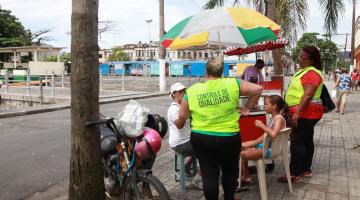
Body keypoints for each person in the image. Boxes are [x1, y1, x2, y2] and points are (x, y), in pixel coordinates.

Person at [175, 56, 262, 200]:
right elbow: (258, 89)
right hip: (228, 137)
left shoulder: (192, 91)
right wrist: (247, 108)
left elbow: (183, 116)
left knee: (209, 175)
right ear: (222, 71)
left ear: (206, 71)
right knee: (229, 173)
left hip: (202, 138)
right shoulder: (233, 83)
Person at [279, 45, 324, 183]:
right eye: (300, 56)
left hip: (305, 113)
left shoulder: (311, 73)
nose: (300, 59)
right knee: (306, 140)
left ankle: (294, 174)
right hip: (308, 113)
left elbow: (308, 94)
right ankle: (305, 169)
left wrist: (297, 113)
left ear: (311, 60)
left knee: (297, 141)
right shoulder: (306, 71)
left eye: (303, 58)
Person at [240, 95, 289, 184]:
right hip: (266, 148)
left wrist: (262, 126)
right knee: (241, 147)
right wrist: (253, 143)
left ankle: (246, 176)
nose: (264, 106)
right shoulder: (274, 118)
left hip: (270, 151)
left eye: (266, 104)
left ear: (274, 106)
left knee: (242, 154)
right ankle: (246, 177)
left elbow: (273, 134)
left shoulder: (279, 119)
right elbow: (265, 136)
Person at [167, 82, 202, 189]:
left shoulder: (181, 106)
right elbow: (179, 125)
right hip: (180, 143)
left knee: (202, 142)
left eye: (184, 91)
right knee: (208, 150)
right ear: (173, 94)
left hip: (186, 140)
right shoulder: (174, 109)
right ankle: (199, 179)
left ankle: (187, 167)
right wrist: (186, 112)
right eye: (180, 91)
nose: (183, 93)